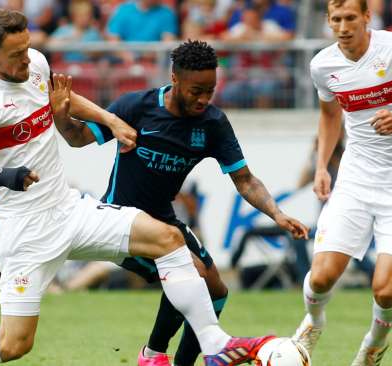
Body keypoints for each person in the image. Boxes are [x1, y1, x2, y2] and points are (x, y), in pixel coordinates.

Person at [0, 9, 275, 366]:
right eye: (15, 55)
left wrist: (112, 121)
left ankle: (213, 344)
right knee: (13, 345)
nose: (26, 60)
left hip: (68, 209)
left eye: (28, 48)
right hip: (27, 228)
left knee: (170, 239)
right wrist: (9, 177)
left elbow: (63, 98)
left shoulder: (34, 62)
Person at [57, 40, 309, 366]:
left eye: (210, 90)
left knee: (217, 290)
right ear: (174, 79)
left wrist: (277, 213)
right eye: (196, 90)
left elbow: (245, 180)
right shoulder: (137, 106)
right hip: (120, 223)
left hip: (165, 221)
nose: (204, 99)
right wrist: (61, 115)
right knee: (195, 275)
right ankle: (152, 354)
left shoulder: (212, 124)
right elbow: (77, 138)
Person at [289, 0, 392, 365]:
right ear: (328, 22)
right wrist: (321, 167)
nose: (343, 27)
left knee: (385, 290)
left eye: (350, 18)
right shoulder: (322, 65)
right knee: (320, 279)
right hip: (354, 184)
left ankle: (373, 346)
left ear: (367, 17)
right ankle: (312, 324)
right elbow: (330, 115)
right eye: (336, 20)